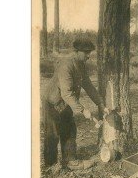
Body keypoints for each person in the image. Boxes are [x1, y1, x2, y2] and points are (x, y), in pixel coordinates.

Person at [42, 37, 108, 170]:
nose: (89, 56)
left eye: (90, 52)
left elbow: (88, 85)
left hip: (66, 103)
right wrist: (83, 110)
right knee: (52, 134)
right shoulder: (66, 65)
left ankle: (70, 161)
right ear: (77, 51)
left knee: (69, 130)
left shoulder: (81, 65)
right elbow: (66, 93)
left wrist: (100, 103)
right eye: (86, 53)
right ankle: (51, 165)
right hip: (52, 101)